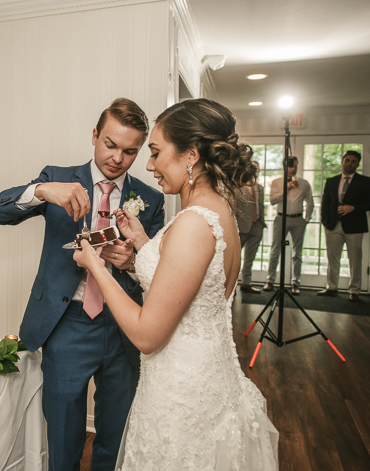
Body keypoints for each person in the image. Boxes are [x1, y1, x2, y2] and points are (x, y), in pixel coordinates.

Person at [73, 99, 279, 470]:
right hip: (205, 374)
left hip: (182, 392)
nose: (148, 165)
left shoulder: (192, 223)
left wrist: (95, 265)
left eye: (154, 152)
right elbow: (194, 287)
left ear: (191, 155)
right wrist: (142, 249)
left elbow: (148, 335)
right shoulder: (217, 211)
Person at [0, 98, 165, 471]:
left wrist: (132, 263)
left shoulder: (150, 199)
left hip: (123, 326)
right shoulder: (56, 177)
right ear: (95, 135)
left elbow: (157, 270)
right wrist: (41, 191)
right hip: (66, 323)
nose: (117, 158)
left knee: (115, 436)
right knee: (64, 435)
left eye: (130, 151)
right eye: (111, 145)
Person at [319, 150, 370, 301]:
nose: (350, 163)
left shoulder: (365, 181)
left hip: (355, 226)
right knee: (332, 258)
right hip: (333, 225)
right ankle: (332, 287)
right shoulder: (332, 181)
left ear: (357, 164)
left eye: (353, 161)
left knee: (355, 259)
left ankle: (354, 291)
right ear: (342, 161)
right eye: (347, 160)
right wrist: (325, 221)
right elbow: (326, 202)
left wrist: (353, 208)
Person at [262, 156, 314, 295]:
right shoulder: (277, 182)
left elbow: (310, 202)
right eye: (291, 166)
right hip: (280, 218)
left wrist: (306, 219)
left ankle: (295, 283)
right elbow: (272, 201)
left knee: (297, 253)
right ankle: (270, 280)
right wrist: (287, 188)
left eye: (295, 166)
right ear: (284, 167)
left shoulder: (304, 183)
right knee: (275, 251)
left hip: (298, 220)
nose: (293, 169)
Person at [235, 163, 265, 293]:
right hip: (241, 227)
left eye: (257, 170)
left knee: (250, 257)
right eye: (254, 170)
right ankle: (232, 287)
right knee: (235, 258)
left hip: (257, 225)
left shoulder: (260, 188)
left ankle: (246, 283)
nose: (255, 172)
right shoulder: (237, 187)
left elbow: (261, 205)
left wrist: (262, 222)